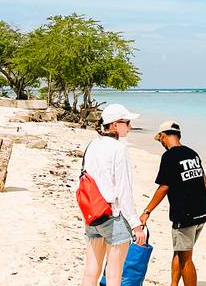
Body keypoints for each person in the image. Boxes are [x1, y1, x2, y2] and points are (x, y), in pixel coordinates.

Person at [139, 120, 206, 286]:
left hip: (184, 214)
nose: (161, 143)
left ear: (163, 136)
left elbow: (164, 187)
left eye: (160, 140)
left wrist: (147, 211)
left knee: (186, 258)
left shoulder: (169, 156)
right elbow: (204, 182)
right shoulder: (192, 153)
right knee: (179, 251)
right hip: (202, 211)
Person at [81, 104, 147, 286]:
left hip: (92, 213)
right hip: (113, 216)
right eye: (127, 122)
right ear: (115, 125)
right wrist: (136, 225)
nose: (130, 127)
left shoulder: (92, 145)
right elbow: (123, 190)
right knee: (114, 275)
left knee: (90, 272)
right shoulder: (119, 149)